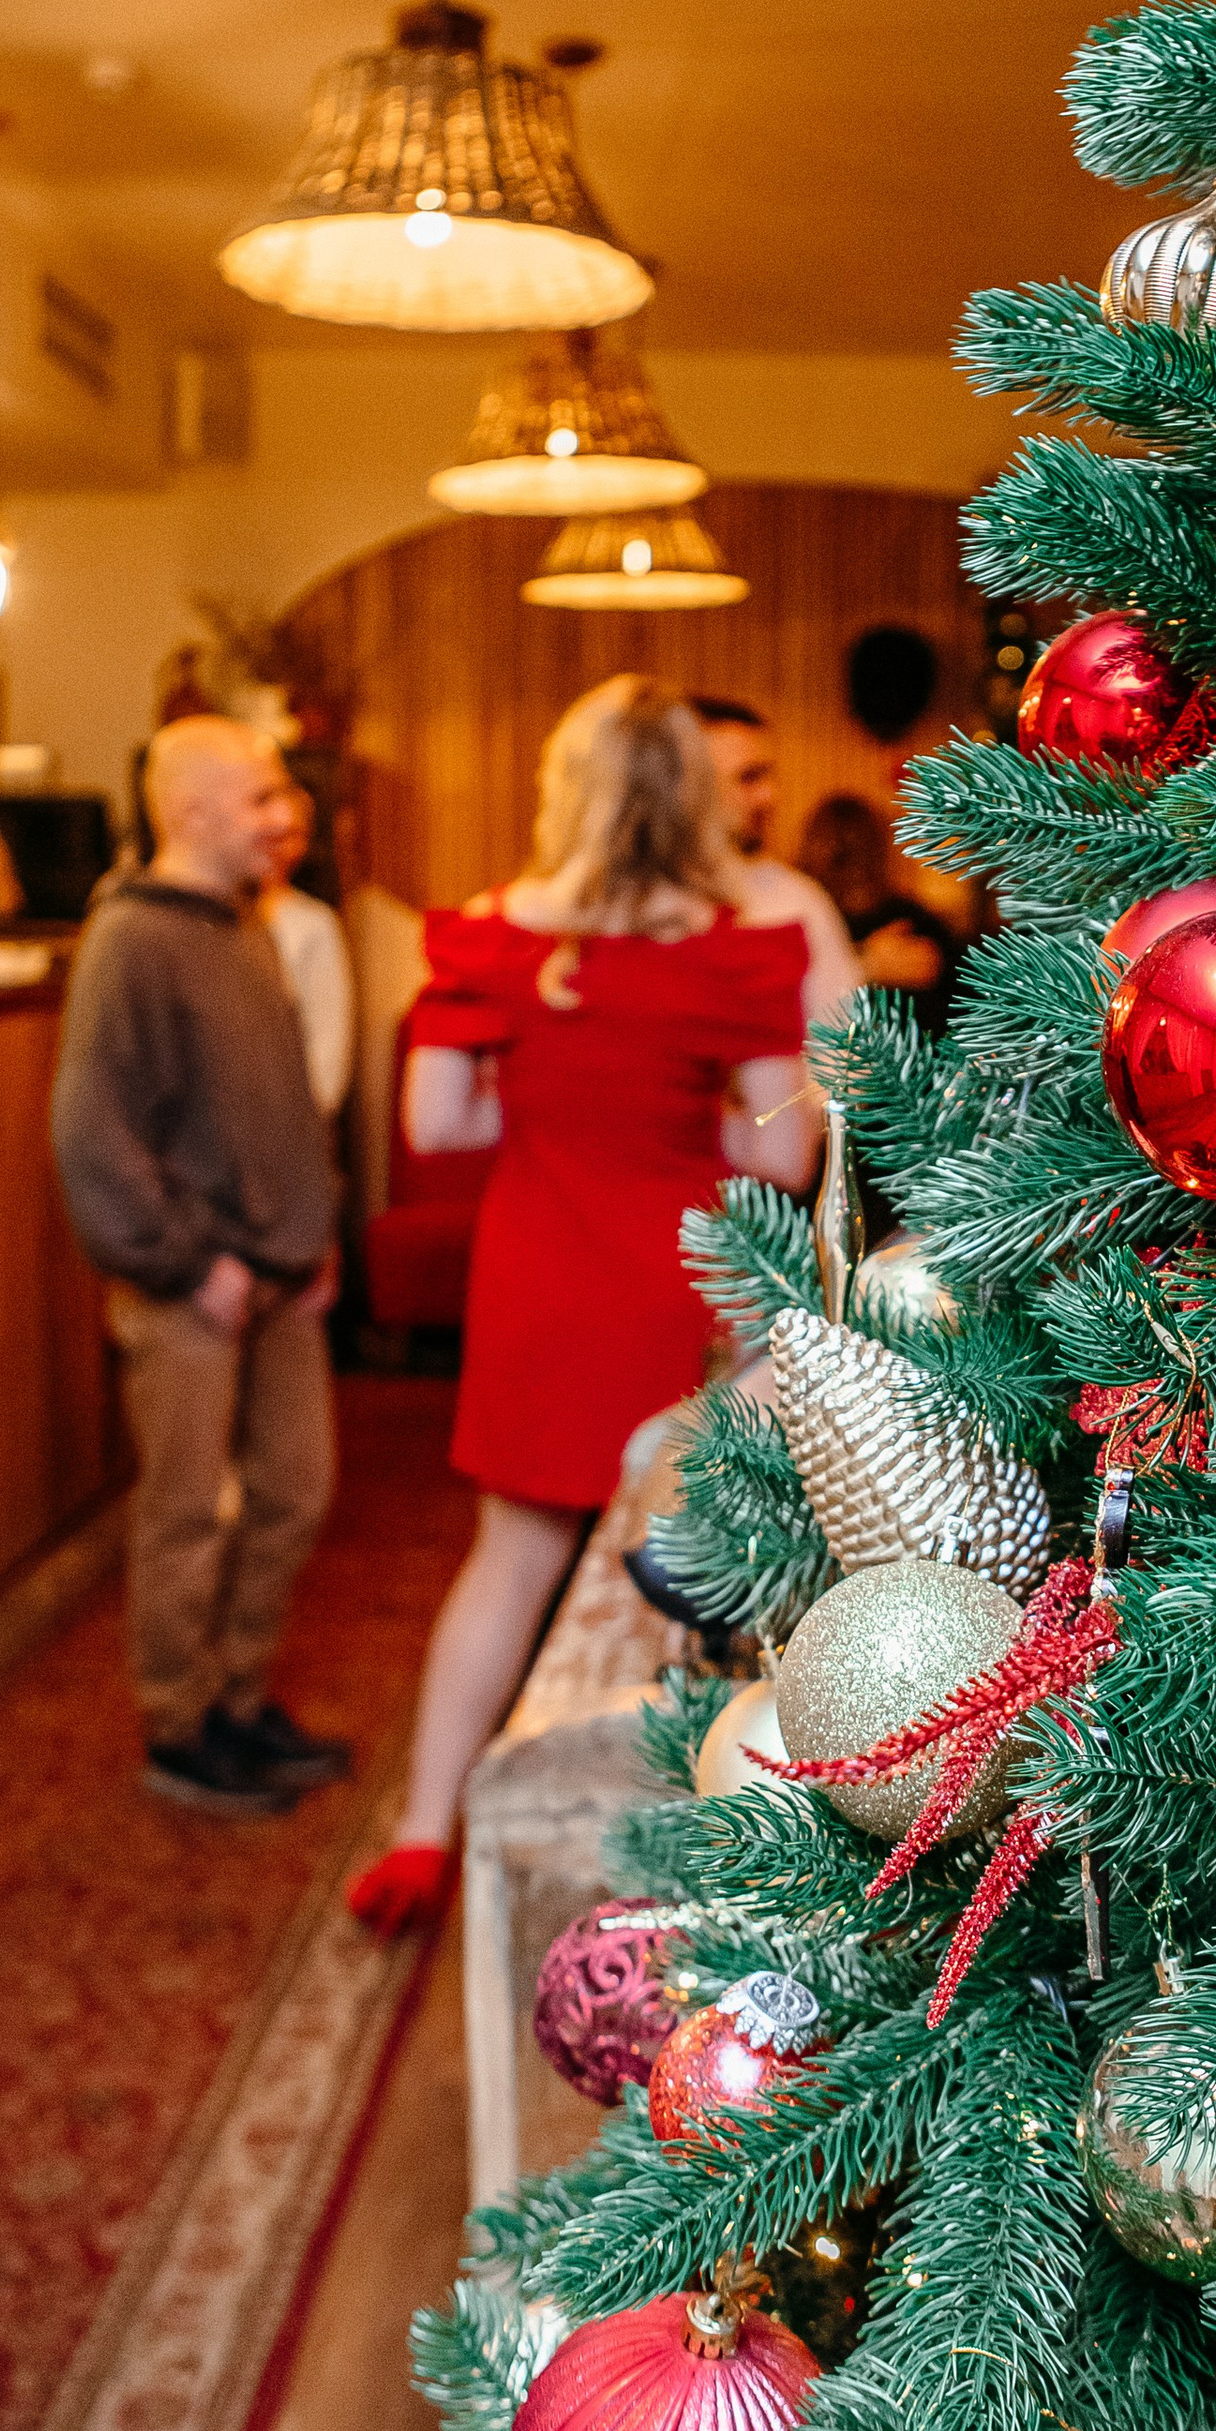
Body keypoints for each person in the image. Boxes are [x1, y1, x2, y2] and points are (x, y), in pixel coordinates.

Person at [346, 679, 819, 1933]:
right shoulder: (738, 944)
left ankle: (417, 1835)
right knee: (691, 1582)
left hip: (543, 1278)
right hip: (681, 1285)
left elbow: (436, 1121)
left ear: (566, 788)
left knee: (507, 1563)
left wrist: (562, 1110)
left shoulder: (490, 938)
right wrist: (675, 1115)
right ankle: (692, 1861)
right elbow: (782, 1156)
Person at [50, 715, 351, 1818]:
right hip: (194, 1289)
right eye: (262, 798)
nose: (287, 817)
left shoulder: (246, 924)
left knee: (294, 1493)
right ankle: (180, 1728)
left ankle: (238, 1696)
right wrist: (188, 1263)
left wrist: (312, 1240)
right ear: (189, 812)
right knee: (188, 1513)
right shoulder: (129, 939)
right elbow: (93, 1133)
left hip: (277, 1280)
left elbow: (279, 1106)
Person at [688, 695, 862, 1015]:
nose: (770, 796)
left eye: (769, 776)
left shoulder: (796, 902)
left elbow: (845, 1049)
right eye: (748, 777)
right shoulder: (639, 903)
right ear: (688, 786)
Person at [794, 791, 961, 1023]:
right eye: (843, 855)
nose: (855, 868)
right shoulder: (805, 919)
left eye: (861, 851)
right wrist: (868, 964)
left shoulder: (919, 925)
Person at [258, 777, 355, 1118]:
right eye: (273, 834)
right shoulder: (205, 918)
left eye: (296, 835)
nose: (285, 848)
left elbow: (328, 1051)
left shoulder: (313, 923)